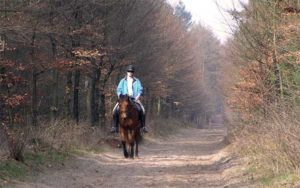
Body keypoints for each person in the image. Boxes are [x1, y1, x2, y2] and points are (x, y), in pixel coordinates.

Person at [110, 65, 148, 133]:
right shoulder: (122, 81)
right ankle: (114, 127)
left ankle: (143, 127)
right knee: (114, 110)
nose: (130, 72)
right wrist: (119, 95)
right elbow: (119, 89)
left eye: (131, 71)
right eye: (129, 71)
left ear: (133, 72)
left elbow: (140, 89)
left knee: (143, 110)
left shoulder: (137, 81)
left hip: (134, 99)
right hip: (124, 99)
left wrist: (138, 96)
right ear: (127, 72)